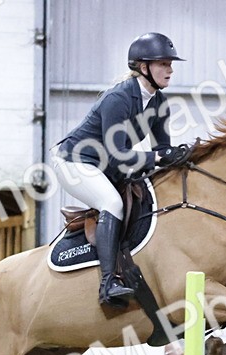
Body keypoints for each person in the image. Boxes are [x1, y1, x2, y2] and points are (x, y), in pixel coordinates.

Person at [51, 32, 193, 308]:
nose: (170, 69)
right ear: (144, 67)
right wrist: (161, 155)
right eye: (163, 63)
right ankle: (108, 283)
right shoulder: (118, 98)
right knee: (112, 202)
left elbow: (161, 150)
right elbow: (119, 156)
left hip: (107, 165)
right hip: (75, 162)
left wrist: (180, 157)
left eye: (170, 64)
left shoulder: (159, 103)